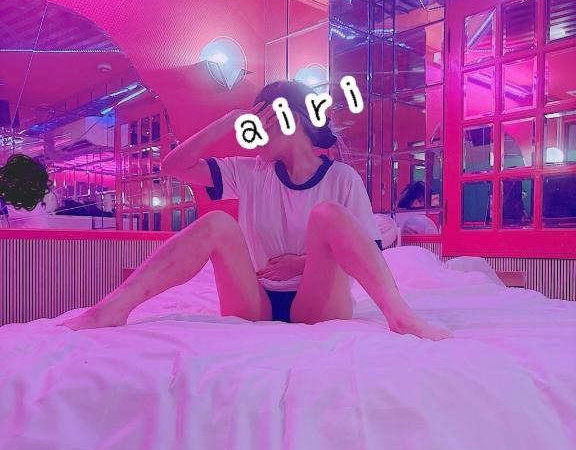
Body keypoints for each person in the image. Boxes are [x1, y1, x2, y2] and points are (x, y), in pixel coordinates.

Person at [60, 80, 453, 341]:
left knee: (327, 214)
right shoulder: (250, 172)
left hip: (318, 302)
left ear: (290, 120)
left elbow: (368, 254)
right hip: (259, 300)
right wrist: (227, 122)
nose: (253, 134)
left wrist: (302, 263)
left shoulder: (341, 178)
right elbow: (174, 166)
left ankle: (400, 316)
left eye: (260, 124)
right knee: (216, 222)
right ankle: (113, 308)